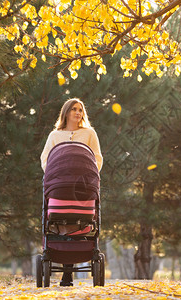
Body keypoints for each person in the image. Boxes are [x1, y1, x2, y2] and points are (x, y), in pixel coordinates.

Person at [40, 98, 103, 287]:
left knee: (78, 221)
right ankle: (67, 271)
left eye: (81, 110)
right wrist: (54, 177)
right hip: (60, 187)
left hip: (82, 187)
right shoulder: (54, 135)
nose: (78, 113)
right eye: (74, 109)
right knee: (61, 222)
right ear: (66, 112)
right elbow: (45, 159)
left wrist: (90, 177)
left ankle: (67, 272)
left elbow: (97, 158)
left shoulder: (89, 133)